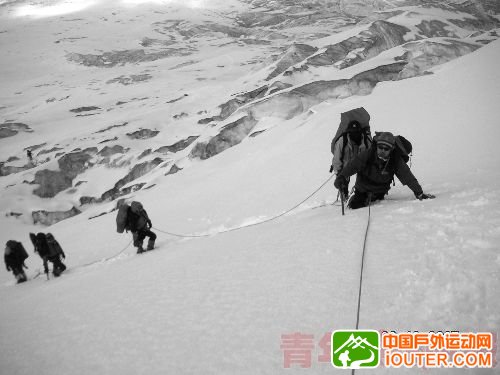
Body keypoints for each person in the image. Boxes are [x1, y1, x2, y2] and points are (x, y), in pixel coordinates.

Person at [334, 132, 434, 209]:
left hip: (380, 191)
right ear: (376, 146)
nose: (382, 150)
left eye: (386, 149)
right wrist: (341, 177)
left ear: (391, 149)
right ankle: (354, 198)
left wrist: (419, 193)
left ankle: (372, 197)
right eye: (380, 147)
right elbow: (353, 165)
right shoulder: (368, 154)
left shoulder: (395, 160)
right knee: (355, 206)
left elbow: (407, 176)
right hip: (362, 189)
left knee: (376, 204)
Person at [330, 120, 372, 197]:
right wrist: (339, 173)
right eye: (352, 132)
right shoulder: (342, 141)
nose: (355, 134)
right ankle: (344, 194)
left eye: (357, 131)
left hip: (361, 164)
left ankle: (362, 193)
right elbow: (337, 159)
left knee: (363, 179)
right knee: (343, 180)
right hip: (346, 165)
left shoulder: (366, 140)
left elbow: (372, 155)